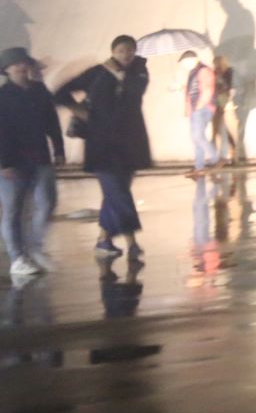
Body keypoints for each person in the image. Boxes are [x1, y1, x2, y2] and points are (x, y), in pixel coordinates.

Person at [54, 35, 151, 261]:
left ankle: (104, 239)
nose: (126, 55)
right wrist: (78, 110)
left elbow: (134, 92)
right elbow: (61, 92)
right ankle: (132, 241)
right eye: (121, 50)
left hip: (130, 142)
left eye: (129, 50)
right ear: (113, 52)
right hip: (102, 143)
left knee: (114, 194)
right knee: (117, 192)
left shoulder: (140, 72)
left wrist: (119, 77)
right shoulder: (97, 73)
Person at [0, 47, 64, 279]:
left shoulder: (39, 90)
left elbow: (52, 121)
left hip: (40, 156)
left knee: (48, 202)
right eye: (15, 64)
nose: (21, 67)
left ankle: (35, 247)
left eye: (24, 62)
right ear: (6, 70)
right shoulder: (4, 95)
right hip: (12, 162)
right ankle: (18, 258)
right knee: (13, 210)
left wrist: (58, 149)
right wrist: (4, 162)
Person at [180, 50, 219, 174]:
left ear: (193, 59)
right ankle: (199, 166)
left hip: (202, 108)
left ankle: (215, 157)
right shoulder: (194, 72)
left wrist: (199, 106)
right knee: (196, 138)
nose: (183, 65)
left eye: (184, 62)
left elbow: (208, 89)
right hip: (196, 109)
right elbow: (193, 90)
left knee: (197, 136)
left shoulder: (203, 70)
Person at [209, 54, 240, 164]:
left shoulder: (227, 71)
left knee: (223, 128)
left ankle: (232, 155)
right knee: (221, 129)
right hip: (219, 102)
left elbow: (229, 86)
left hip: (224, 102)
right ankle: (230, 154)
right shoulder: (217, 72)